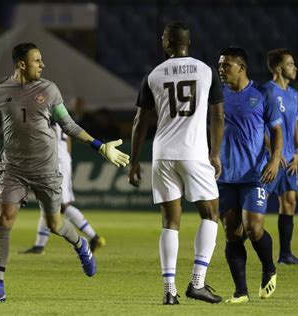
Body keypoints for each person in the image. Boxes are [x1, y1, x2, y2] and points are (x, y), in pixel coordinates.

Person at [0, 42, 129, 304]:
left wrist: (100, 146)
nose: (42, 65)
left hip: (46, 168)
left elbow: (68, 124)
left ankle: (81, 245)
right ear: (22, 64)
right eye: (37, 61)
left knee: (55, 224)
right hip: (12, 168)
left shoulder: (49, 90)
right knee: (4, 220)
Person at [128, 22, 225, 305]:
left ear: (167, 43)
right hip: (194, 151)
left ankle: (169, 291)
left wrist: (134, 162)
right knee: (210, 214)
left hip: (163, 153)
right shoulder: (205, 70)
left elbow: (139, 121)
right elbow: (218, 116)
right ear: (188, 42)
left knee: (170, 222)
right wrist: (215, 153)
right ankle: (197, 283)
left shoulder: (154, 75)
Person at [217, 47, 283, 304]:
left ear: (241, 67)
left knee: (254, 228)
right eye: (220, 65)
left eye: (226, 65)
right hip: (224, 175)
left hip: (255, 173)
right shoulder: (217, 96)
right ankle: (240, 291)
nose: (222, 70)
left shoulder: (262, 93)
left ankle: (269, 268)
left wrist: (275, 160)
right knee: (232, 232)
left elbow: (277, 132)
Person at [21, 123, 106, 254]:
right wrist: (67, 159)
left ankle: (94, 237)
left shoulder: (43, 112)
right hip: (61, 160)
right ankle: (39, 246)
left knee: (61, 205)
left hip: (55, 161)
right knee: (48, 202)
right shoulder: (56, 111)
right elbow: (69, 138)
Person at [264, 49, 298, 265]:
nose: (295, 67)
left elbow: (295, 127)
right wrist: (274, 152)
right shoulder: (266, 91)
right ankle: (237, 246)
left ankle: (285, 255)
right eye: (290, 64)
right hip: (269, 159)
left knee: (290, 201)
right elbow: (261, 126)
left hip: (290, 158)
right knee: (256, 207)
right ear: (278, 68)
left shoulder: (294, 94)